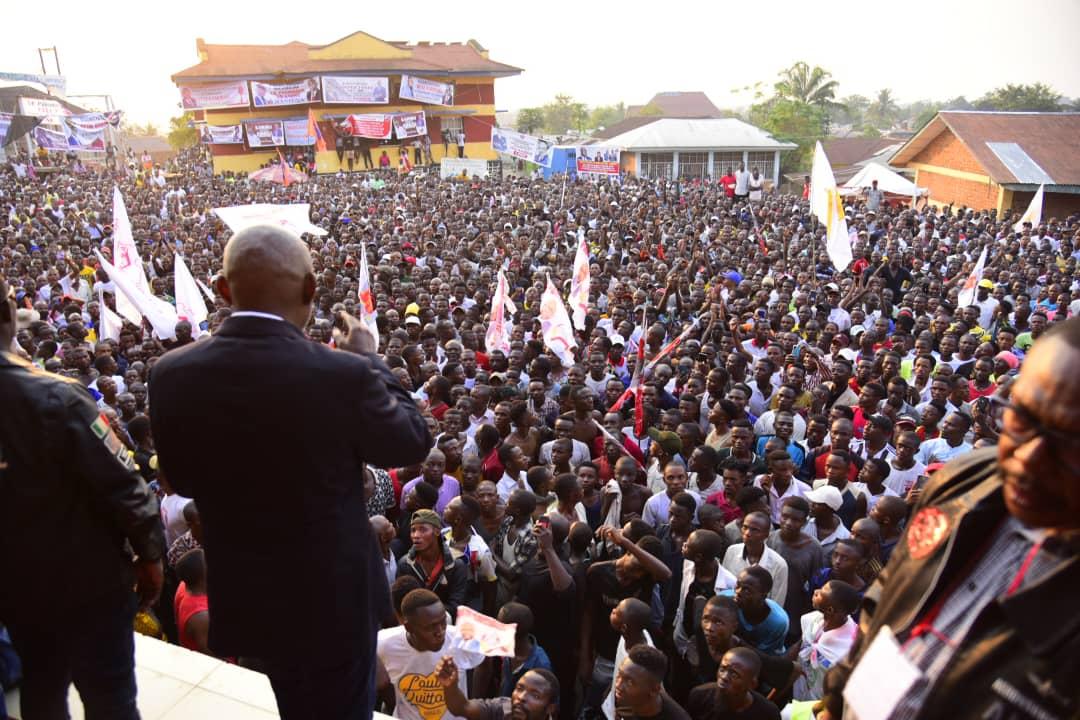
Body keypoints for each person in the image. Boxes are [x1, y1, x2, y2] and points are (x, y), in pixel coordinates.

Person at [149, 224, 431, 719]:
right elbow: (411, 439)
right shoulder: (344, 372)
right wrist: (372, 359)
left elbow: (183, 480)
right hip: (335, 600)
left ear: (221, 288)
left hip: (250, 594)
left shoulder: (171, 372)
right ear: (310, 289)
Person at [822, 316, 1080, 719]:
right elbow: (892, 592)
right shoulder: (968, 481)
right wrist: (837, 699)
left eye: (1069, 444)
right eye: (1024, 417)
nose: (1029, 458)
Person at [0, 277, 164, 720]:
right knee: (110, 698)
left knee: (41, 688)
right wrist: (151, 556)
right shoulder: (57, 397)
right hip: (86, 585)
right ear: (8, 313)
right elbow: (127, 487)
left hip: (15, 591)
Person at [377, 589, 486, 720]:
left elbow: (485, 660)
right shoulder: (384, 644)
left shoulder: (461, 640)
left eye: (443, 622)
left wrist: (473, 706)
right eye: (431, 627)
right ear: (409, 628)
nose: (440, 632)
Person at [436, 655, 560, 720]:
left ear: (550, 708)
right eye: (520, 688)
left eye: (535, 695)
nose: (521, 697)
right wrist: (450, 686)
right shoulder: (501, 708)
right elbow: (462, 707)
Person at [686, 647, 780, 720]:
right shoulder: (699, 695)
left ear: (752, 684)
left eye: (734, 675)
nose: (724, 677)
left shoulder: (768, 713)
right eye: (722, 669)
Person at [611, 644, 690, 720]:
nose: (618, 685)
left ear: (654, 690)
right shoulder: (623, 698)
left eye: (630, 682)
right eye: (619, 674)